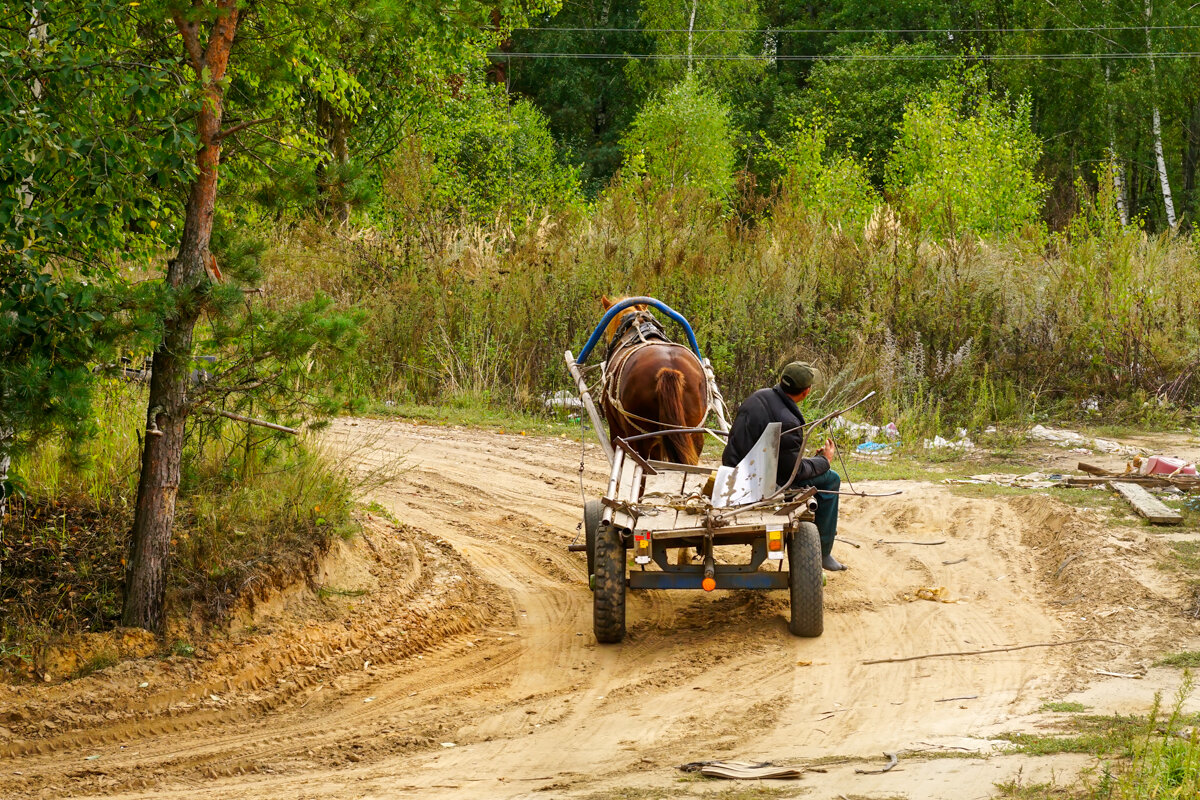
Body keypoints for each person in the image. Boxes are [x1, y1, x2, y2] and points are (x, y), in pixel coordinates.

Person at [721, 362, 846, 571]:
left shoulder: (757, 397)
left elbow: (777, 454)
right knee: (831, 479)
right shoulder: (789, 420)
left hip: (733, 469)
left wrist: (811, 461)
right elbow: (793, 473)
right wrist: (824, 461)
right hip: (757, 482)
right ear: (806, 392)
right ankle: (824, 552)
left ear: (782, 380)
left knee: (816, 468)